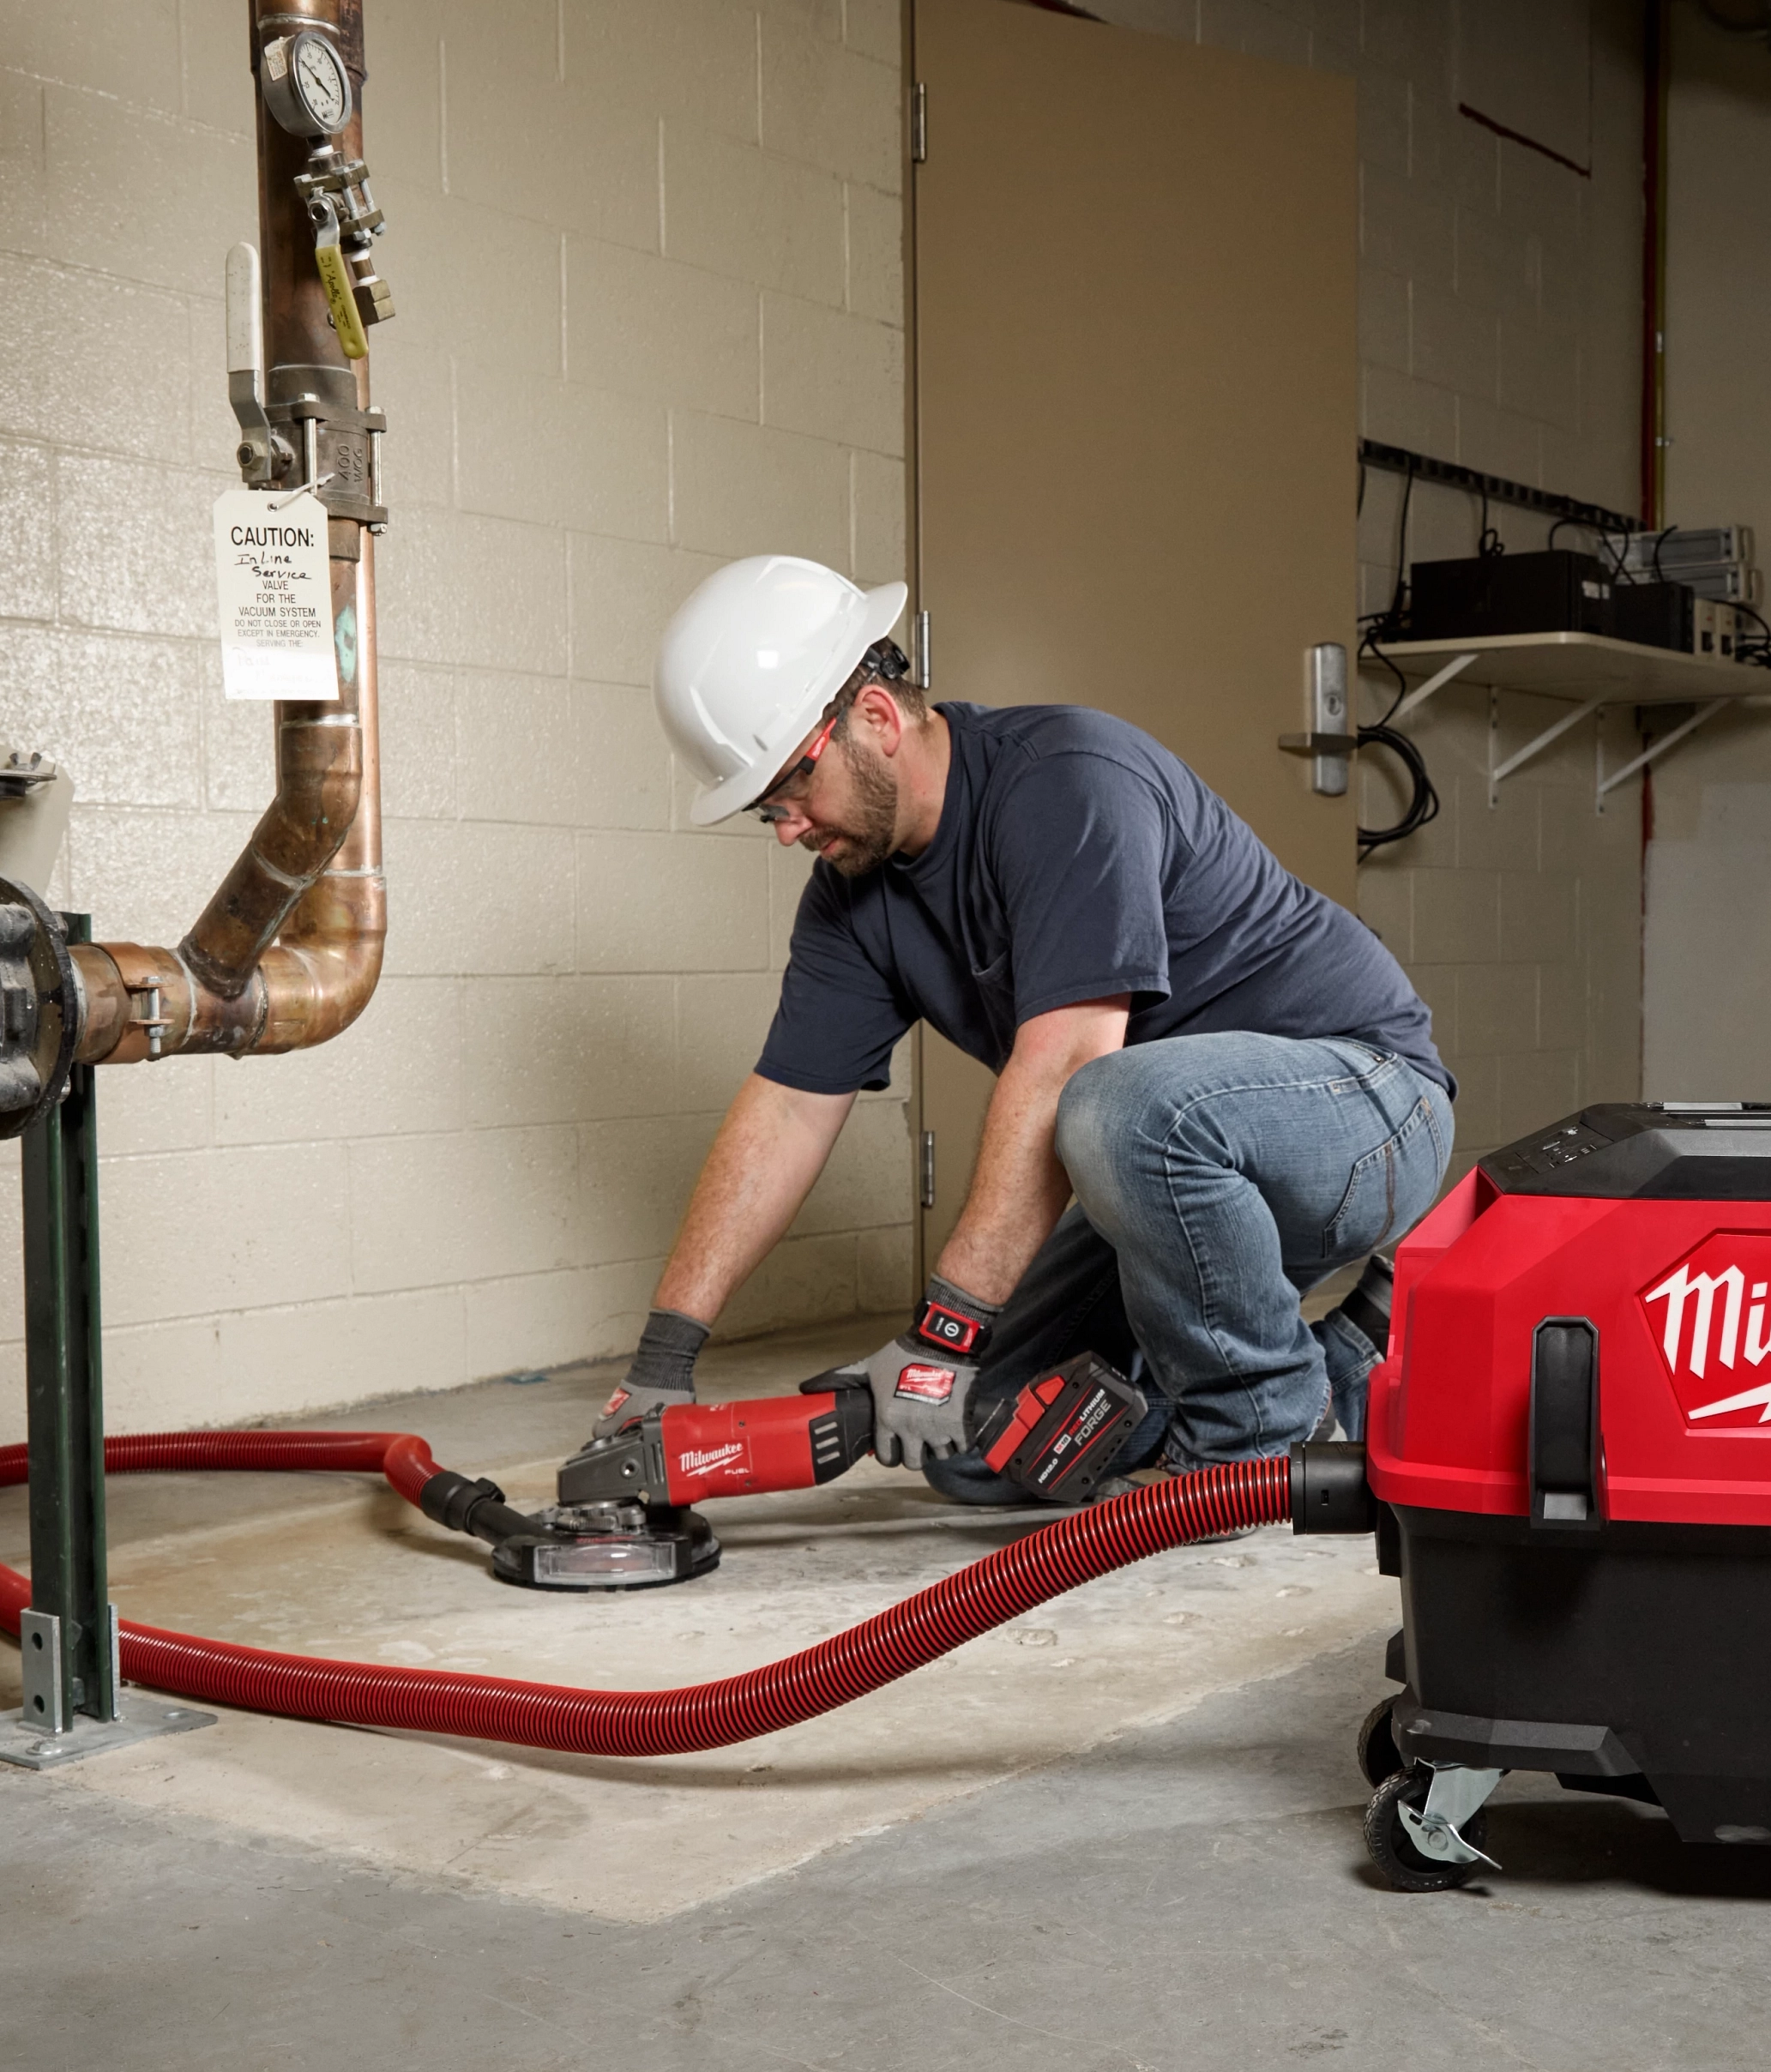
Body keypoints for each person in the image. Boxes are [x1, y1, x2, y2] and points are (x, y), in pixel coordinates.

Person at [583, 553, 1451, 1497]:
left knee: (1110, 1107)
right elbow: (786, 1111)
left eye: (791, 787)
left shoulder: (1067, 782)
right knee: (979, 1437)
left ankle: (1259, 1437)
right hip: (1175, 1168)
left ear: (874, 719)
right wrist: (664, 1361)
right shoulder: (850, 898)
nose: (788, 827)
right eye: (766, 812)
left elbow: (1071, 1060)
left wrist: (944, 1332)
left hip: (1363, 1106)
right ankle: (1351, 1365)